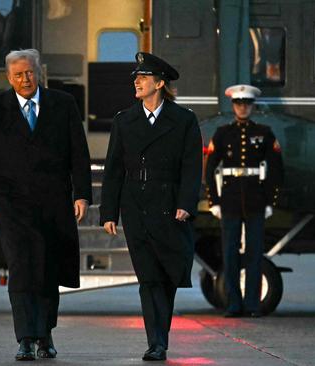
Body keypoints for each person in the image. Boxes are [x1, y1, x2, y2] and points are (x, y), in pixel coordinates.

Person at [0, 49, 92, 361]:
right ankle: (25, 337)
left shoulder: (63, 104)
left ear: (38, 73)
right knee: (22, 269)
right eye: (18, 74)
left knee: (48, 269)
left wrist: (82, 194)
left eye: (29, 73)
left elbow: (79, 153)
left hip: (54, 202)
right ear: (8, 78)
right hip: (10, 204)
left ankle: (45, 334)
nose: (25, 79)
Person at [100, 52, 202, 361]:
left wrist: (186, 203)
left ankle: (161, 335)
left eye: (143, 78)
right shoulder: (124, 120)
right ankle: (155, 342)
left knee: (167, 275)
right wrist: (109, 212)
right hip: (136, 207)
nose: (137, 82)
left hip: (169, 208)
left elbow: (191, 166)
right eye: (136, 78)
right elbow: (114, 168)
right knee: (148, 278)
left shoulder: (184, 119)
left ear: (159, 83)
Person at [205, 84, 283, 318]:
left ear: (252, 106)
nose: (243, 108)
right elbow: (209, 170)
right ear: (233, 106)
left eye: (247, 104)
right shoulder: (222, 134)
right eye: (239, 104)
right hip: (229, 199)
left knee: (254, 253)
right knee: (229, 253)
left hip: (255, 199)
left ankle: (252, 304)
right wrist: (214, 201)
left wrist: (270, 201)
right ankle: (233, 304)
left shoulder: (265, 133)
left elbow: (276, 170)